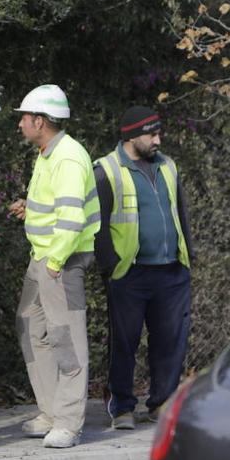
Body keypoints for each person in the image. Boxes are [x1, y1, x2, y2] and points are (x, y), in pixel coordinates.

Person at [8, 85, 100, 449]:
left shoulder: (68, 158)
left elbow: (73, 218)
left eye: (24, 118)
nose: (19, 125)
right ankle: (50, 411)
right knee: (29, 323)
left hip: (60, 261)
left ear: (40, 121)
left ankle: (68, 422)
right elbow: (58, 206)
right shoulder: (48, 154)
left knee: (66, 337)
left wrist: (55, 264)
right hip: (44, 258)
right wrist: (30, 208)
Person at [93, 105, 193, 430]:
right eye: (152, 133)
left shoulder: (168, 166)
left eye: (158, 132)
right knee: (124, 343)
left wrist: (187, 258)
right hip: (129, 273)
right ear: (132, 135)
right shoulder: (106, 170)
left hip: (171, 271)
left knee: (170, 341)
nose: (158, 139)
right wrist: (110, 268)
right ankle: (122, 407)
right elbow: (97, 224)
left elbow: (181, 214)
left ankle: (161, 403)